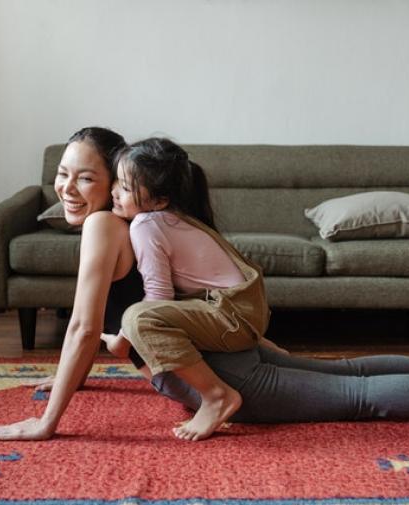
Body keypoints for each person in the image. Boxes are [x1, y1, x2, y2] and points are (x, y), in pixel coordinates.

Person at [0, 129, 409, 443]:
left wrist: (48, 421)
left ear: (120, 182)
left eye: (87, 178)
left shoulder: (111, 225)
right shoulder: (152, 221)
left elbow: (86, 325)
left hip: (226, 374)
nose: (69, 189)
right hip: (228, 347)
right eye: (61, 176)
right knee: (353, 374)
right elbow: (140, 317)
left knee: (362, 398)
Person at [103, 137, 285, 440]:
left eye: (124, 186)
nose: (114, 191)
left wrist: (123, 340)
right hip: (243, 312)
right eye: (116, 183)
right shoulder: (173, 218)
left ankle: (217, 396)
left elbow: (158, 298)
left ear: (159, 200)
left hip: (233, 317)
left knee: (138, 318)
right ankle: (256, 343)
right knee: (143, 317)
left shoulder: (146, 224)